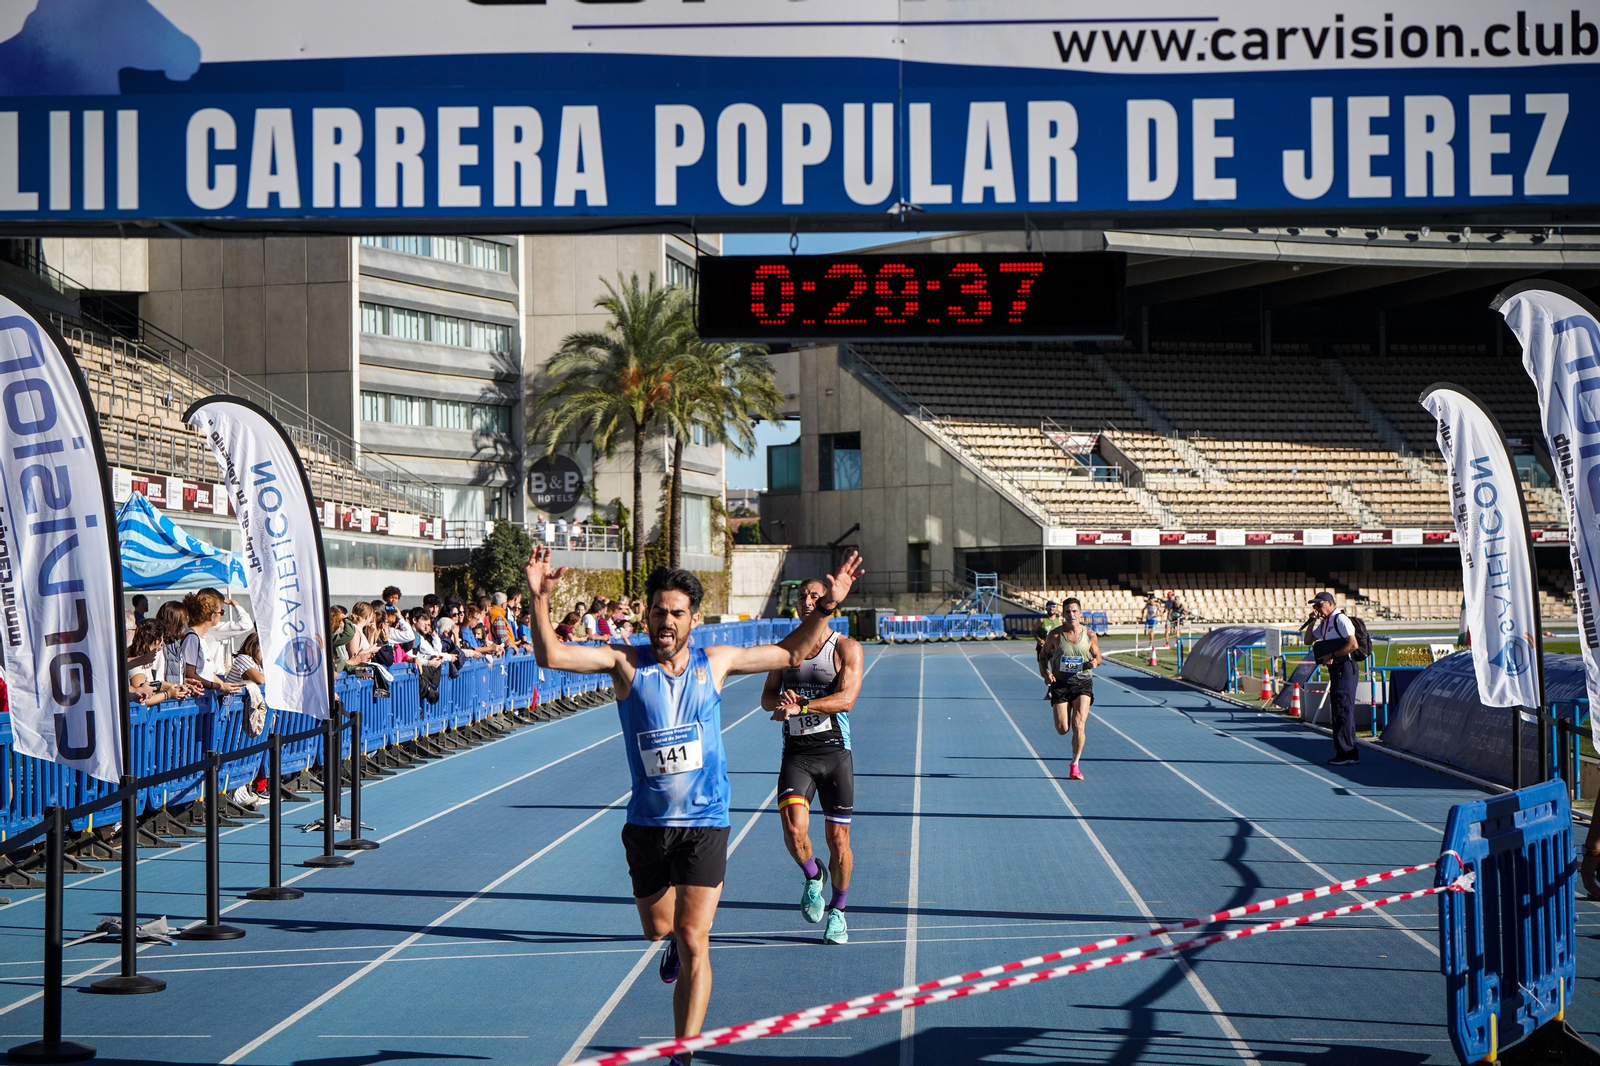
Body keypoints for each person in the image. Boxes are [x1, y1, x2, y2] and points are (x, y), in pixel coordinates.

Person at [526, 546, 863, 1064]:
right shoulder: (625, 663)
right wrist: (538, 599)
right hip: (647, 825)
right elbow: (551, 656)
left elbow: (790, 653)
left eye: (677, 613)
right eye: (659, 611)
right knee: (660, 929)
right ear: (647, 616)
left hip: (705, 823)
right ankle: (671, 947)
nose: (666, 621)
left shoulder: (717, 661)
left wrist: (826, 607)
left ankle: (683, 1055)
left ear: (693, 620)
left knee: (694, 939)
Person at [761, 578, 864, 946]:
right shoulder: (785, 649)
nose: (807, 602)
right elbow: (767, 697)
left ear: (828, 602)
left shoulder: (847, 648)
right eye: (802, 596)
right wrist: (780, 703)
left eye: (814, 596)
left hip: (835, 752)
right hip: (798, 754)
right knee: (793, 829)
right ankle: (812, 875)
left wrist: (802, 705)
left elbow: (847, 699)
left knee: (838, 841)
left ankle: (838, 911)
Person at [1038, 597, 1102, 780]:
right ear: (1063, 614)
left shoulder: (1089, 635)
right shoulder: (1055, 636)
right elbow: (1043, 657)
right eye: (1067, 611)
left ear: (1081, 613)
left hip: (1083, 682)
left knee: (1079, 724)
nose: (1071, 614)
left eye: (1074, 611)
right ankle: (1074, 760)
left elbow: (1098, 656)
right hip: (1061, 684)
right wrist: (1046, 673)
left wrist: (1094, 662)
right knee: (1062, 728)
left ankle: (1075, 764)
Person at [1308, 591, 1360, 766]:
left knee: (1343, 710)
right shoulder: (1324, 623)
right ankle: (1346, 751)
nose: (1317, 609)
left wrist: (1333, 655)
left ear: (1330, 603)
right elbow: (1308, 640)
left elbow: (1353, 644)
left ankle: (1347, 753)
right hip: (1336, 669)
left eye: (1319, 605)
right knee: (1339, 710)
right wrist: (1312, 621)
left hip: (1345, 668)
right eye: (1314, 606)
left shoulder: (1340, 620)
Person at [174, 590, 243, 697]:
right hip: (200, 699)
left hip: (205, 698)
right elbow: (190, 673)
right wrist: (218, 686)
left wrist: (223, 685)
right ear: (212, 616)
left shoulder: (200, 638)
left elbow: (206, 672)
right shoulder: (192, 638)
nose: (222, 615)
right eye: (221, 612)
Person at [1034, 601, 1062, 665]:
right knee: (1044, 669)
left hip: (1054, 647)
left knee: (1055, 668)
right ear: (1046, 608)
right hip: (1042, 647)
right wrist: (1039, 639)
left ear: (1056, 608)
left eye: (1053, 607)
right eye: (1049, 607)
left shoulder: (1059, 621)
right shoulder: (1042, 620)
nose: (1051, 608)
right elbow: (1033, 631)